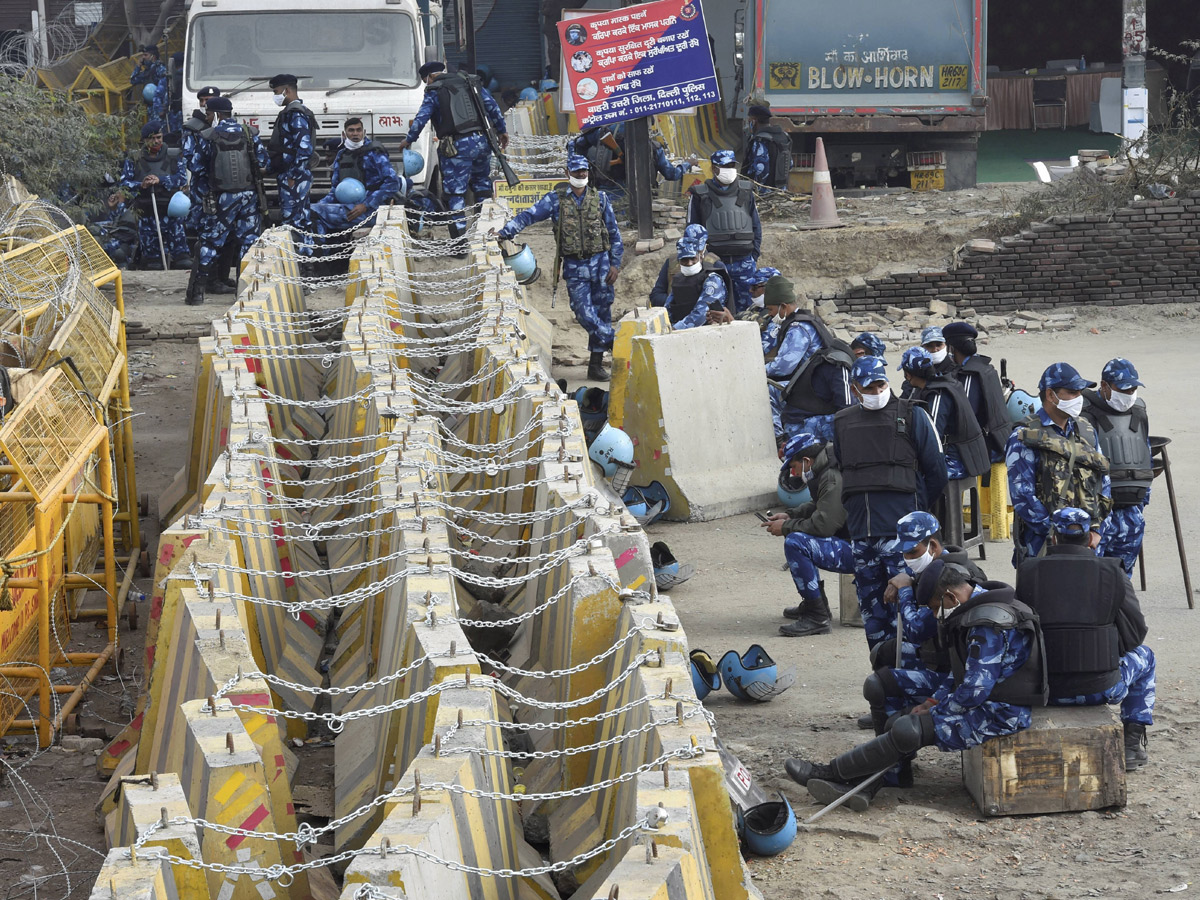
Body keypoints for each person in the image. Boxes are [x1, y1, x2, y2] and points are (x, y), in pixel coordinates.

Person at [785, 562, 1044, 810]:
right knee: (893, 705)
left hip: (1002, 712)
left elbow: (974, 691)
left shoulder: (987, 625)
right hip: (987, 699)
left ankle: (834, 773)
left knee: (908, 730)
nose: (934, 615)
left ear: (951, 597)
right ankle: (871, 780)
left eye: (934, 608)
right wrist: (931, 703)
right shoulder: (979, 607)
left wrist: (934, 712)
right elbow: (962, 674)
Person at [1016, 507, 1156, 768]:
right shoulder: (1113, 571)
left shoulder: (1027, 570)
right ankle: (1131, 747)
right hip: (1100, 688)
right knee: (1146, 656)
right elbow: (1136, 634)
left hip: (1044, 689)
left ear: (1054, 538)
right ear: (1092, 537)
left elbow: (1021, 632)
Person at [833, 356, 947, 653]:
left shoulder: (913, 416)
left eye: (880, 384)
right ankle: (883, 673)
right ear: (855, 390)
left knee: (908, 609)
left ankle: (915, 672)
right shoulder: (842, 422)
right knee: (873, 615)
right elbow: (844, 467)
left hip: (902, 538)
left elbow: (936, 472)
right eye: (867, 387)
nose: (875, 391)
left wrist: (916, 515)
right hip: (862, 536)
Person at [496, 154, 622, 380]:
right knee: (583, 312)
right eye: (576, 172)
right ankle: (613, 340)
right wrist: (505, 232)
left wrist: (615, 264)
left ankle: (595, 365)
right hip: (575, 267)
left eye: (584, 171)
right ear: (567, 173)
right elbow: (529, 215)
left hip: (602, 266)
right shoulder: (556, 200)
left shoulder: (600, 199)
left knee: (603, 311)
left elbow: (614, 234)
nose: (581, 175)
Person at [1006, 363, 1111, 564]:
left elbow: (1103, 482)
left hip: (1088, 542)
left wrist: (1096, 530)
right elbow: (1022, 494)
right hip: (1046, 544)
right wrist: (1057, 532)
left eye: (1080, 392)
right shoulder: (1025, 435)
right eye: (1071, 392)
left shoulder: (1086, 430)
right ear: (1050, 394)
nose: (1078, 398)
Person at [400, 61, 508, 242]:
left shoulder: (434, 90)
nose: (427, 84)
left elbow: (422, 118)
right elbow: (492, 106)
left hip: (457, 147)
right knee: (482, 186)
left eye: (426, 80)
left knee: (456, 193)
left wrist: (408, 139)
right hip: (483, 141)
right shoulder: (469, 82)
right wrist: (502, 130)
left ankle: (460, 242)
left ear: (430, 77)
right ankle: (485, 233)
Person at [762, 431, 849, 637]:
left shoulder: (831, 476)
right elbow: (821, 505)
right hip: (851, 541)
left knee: (796, 542)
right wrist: (790, 514)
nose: (792, 473)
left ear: (806, 460)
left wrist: (786, 526)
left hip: (859, 550)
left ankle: (817, 616)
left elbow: (824, 525)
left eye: (793, 466)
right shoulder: (824, 469)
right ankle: (817, 606)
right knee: (798, 538)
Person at [184, 96, 269, 306]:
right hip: (249, 197)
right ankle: (244, 293)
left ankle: (196, 294)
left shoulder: (209, 135)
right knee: (248, 244)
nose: (207, 117)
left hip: (222, 198)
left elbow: (195, 166)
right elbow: (263, 162)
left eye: (209, 113)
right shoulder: (249, 133)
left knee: (210, 242)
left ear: (216, 115)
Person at [1082, 359, 1152, 575]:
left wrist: (1141, 505)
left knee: (1122, 578)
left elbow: (1144, 456)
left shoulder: (1139, 412)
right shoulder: (1086, 415)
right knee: (1092, 578)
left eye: (1133, 388)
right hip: (1099, 515)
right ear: (1104, 386)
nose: (1129, 394)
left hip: (1131, 511)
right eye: (1123, 389)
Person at [765, 281, 853, 444]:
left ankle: (778, 440)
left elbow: (783, 366)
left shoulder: (798, 328)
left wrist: (759, 370)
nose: (769, 314)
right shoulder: (807, 319)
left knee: (767, 391)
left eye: (771, 309)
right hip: (816, 381)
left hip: (811, 387)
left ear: (783, 306)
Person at [899, 347, 990, 482]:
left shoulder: (938, 394)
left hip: (957, 460)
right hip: (965, 455)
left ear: (908, 374)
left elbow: (931, 437)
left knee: (912, 479)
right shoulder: (942, 382)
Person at [687, 149, 761, 312]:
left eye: (731, 165)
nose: (729, 169)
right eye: (725, 166)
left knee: (747, 310)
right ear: (714, 169)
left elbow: (756, 225)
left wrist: (753, 256)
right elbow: (692, 229)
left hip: (744, 261)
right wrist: (700, 260)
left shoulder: (746, 191)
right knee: (715, 310)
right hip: (715, 263)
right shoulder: (700, 194)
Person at [311, 117, 401, 237]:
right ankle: (324, 252)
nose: (355, 134)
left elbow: (393, 183)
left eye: (358, 130)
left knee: (315, 214)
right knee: (311, 212)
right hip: (348, 208)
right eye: (351, 130)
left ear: (363, 132)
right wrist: (320, 205)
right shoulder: (342, 155)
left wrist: (366, 204)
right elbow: (335, 190)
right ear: (344, 134)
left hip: (371, 211)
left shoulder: (374, 153)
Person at [119, 120, 191, 270]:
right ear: (145, 140)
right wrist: (141, 184)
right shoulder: (134, 159)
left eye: (159, 137)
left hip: (171, 213)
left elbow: (182, 179)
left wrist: (161, 180)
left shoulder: (173, 155)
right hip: (147, 214)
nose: (156, 141)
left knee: (183, 261)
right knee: (153, 263)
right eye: (152, 138)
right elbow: (125, 184)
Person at [943, 321, 1015, 461]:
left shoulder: (970, 374)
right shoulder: (985, 366)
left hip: (986, 449)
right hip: (1000, 441)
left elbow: (966, 416)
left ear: (951, 348)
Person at [267, 74, 317, 255]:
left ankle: (300, 261)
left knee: (294, 220)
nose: (275, 95)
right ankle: (304, 261)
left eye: (276, 91)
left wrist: (293, 176)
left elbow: (304, 148)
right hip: (291, 174)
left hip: (294, 177)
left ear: (286, 91)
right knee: (299, 219)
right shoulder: (292, 112)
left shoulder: (295, 113)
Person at [660, 233, 731, 329]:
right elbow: (667, 309)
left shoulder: (712, 279)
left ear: (700, 257)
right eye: (684, 260)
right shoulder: (678, 279)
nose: (689, 263)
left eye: (693, 259)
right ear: (679, 261)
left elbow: (701, 314)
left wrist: (675, 329)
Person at [649, 224, 723, 308]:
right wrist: (677, 302)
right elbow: (656, 296)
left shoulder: (715, 264)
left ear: (706, 245)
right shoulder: (672, 262)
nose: (689, 263)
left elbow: (724, 299)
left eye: (699, 248)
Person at [742, 105, 791, 190]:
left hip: (764, 192)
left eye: (749, 120)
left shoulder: (760, 140)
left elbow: (761, 169)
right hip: (781, 189)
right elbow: (790, 164)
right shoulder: (784, 136)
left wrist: (755, 188)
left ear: (754, 121)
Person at [736, 267, 782, 340]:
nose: (750, 290)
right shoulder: (754, 307)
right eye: (750, 286)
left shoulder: (780, 313)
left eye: (754, 287)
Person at [130, 45, 168, 124]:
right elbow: (133, 80)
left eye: (146, 55)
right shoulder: (149, 70)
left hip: (159, 107)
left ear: (153, 56)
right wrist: (138, 66)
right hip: (151, 106)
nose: (143, 57)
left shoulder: (160, 69)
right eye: (143, 55)